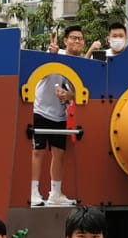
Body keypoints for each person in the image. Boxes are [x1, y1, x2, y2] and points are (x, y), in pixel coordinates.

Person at [30, 24, 86, 207]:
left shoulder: (82, 65)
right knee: (38, 151)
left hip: (60, 115)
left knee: (59, 153)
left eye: (80, 39)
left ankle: (55, 193)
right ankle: (33, 191)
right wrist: (51, 52)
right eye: (73, 38)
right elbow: (44, 64)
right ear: (65, 41)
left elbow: (81, 93)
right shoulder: (56, 55)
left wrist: (69, 95)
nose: (77, 41)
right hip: (41, 110)